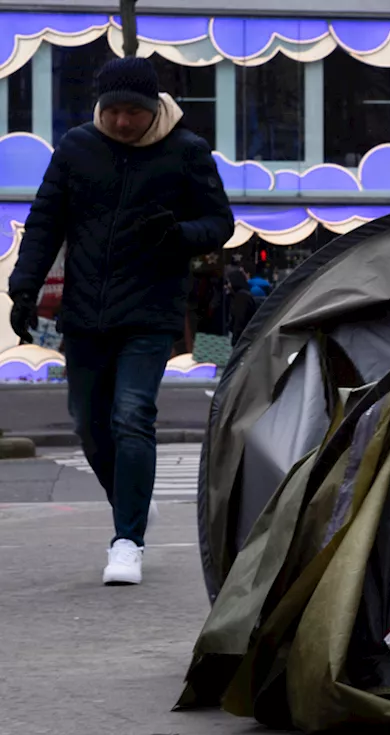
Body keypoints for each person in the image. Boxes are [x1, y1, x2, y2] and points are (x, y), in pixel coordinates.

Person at [7, 57, 233, 585]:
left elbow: (219, 222)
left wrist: (178, 232)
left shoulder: (186, 151)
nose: (124, 123)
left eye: (134, 112)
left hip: (151, 309)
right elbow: (45, 220)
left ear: (155, 108)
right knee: (89, 423)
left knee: (132, 414)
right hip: (85, 311)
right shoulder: (77, 148)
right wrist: (22, 287)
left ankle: (126, 540)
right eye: (114, 112)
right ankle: (130, 500)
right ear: (100, 108)